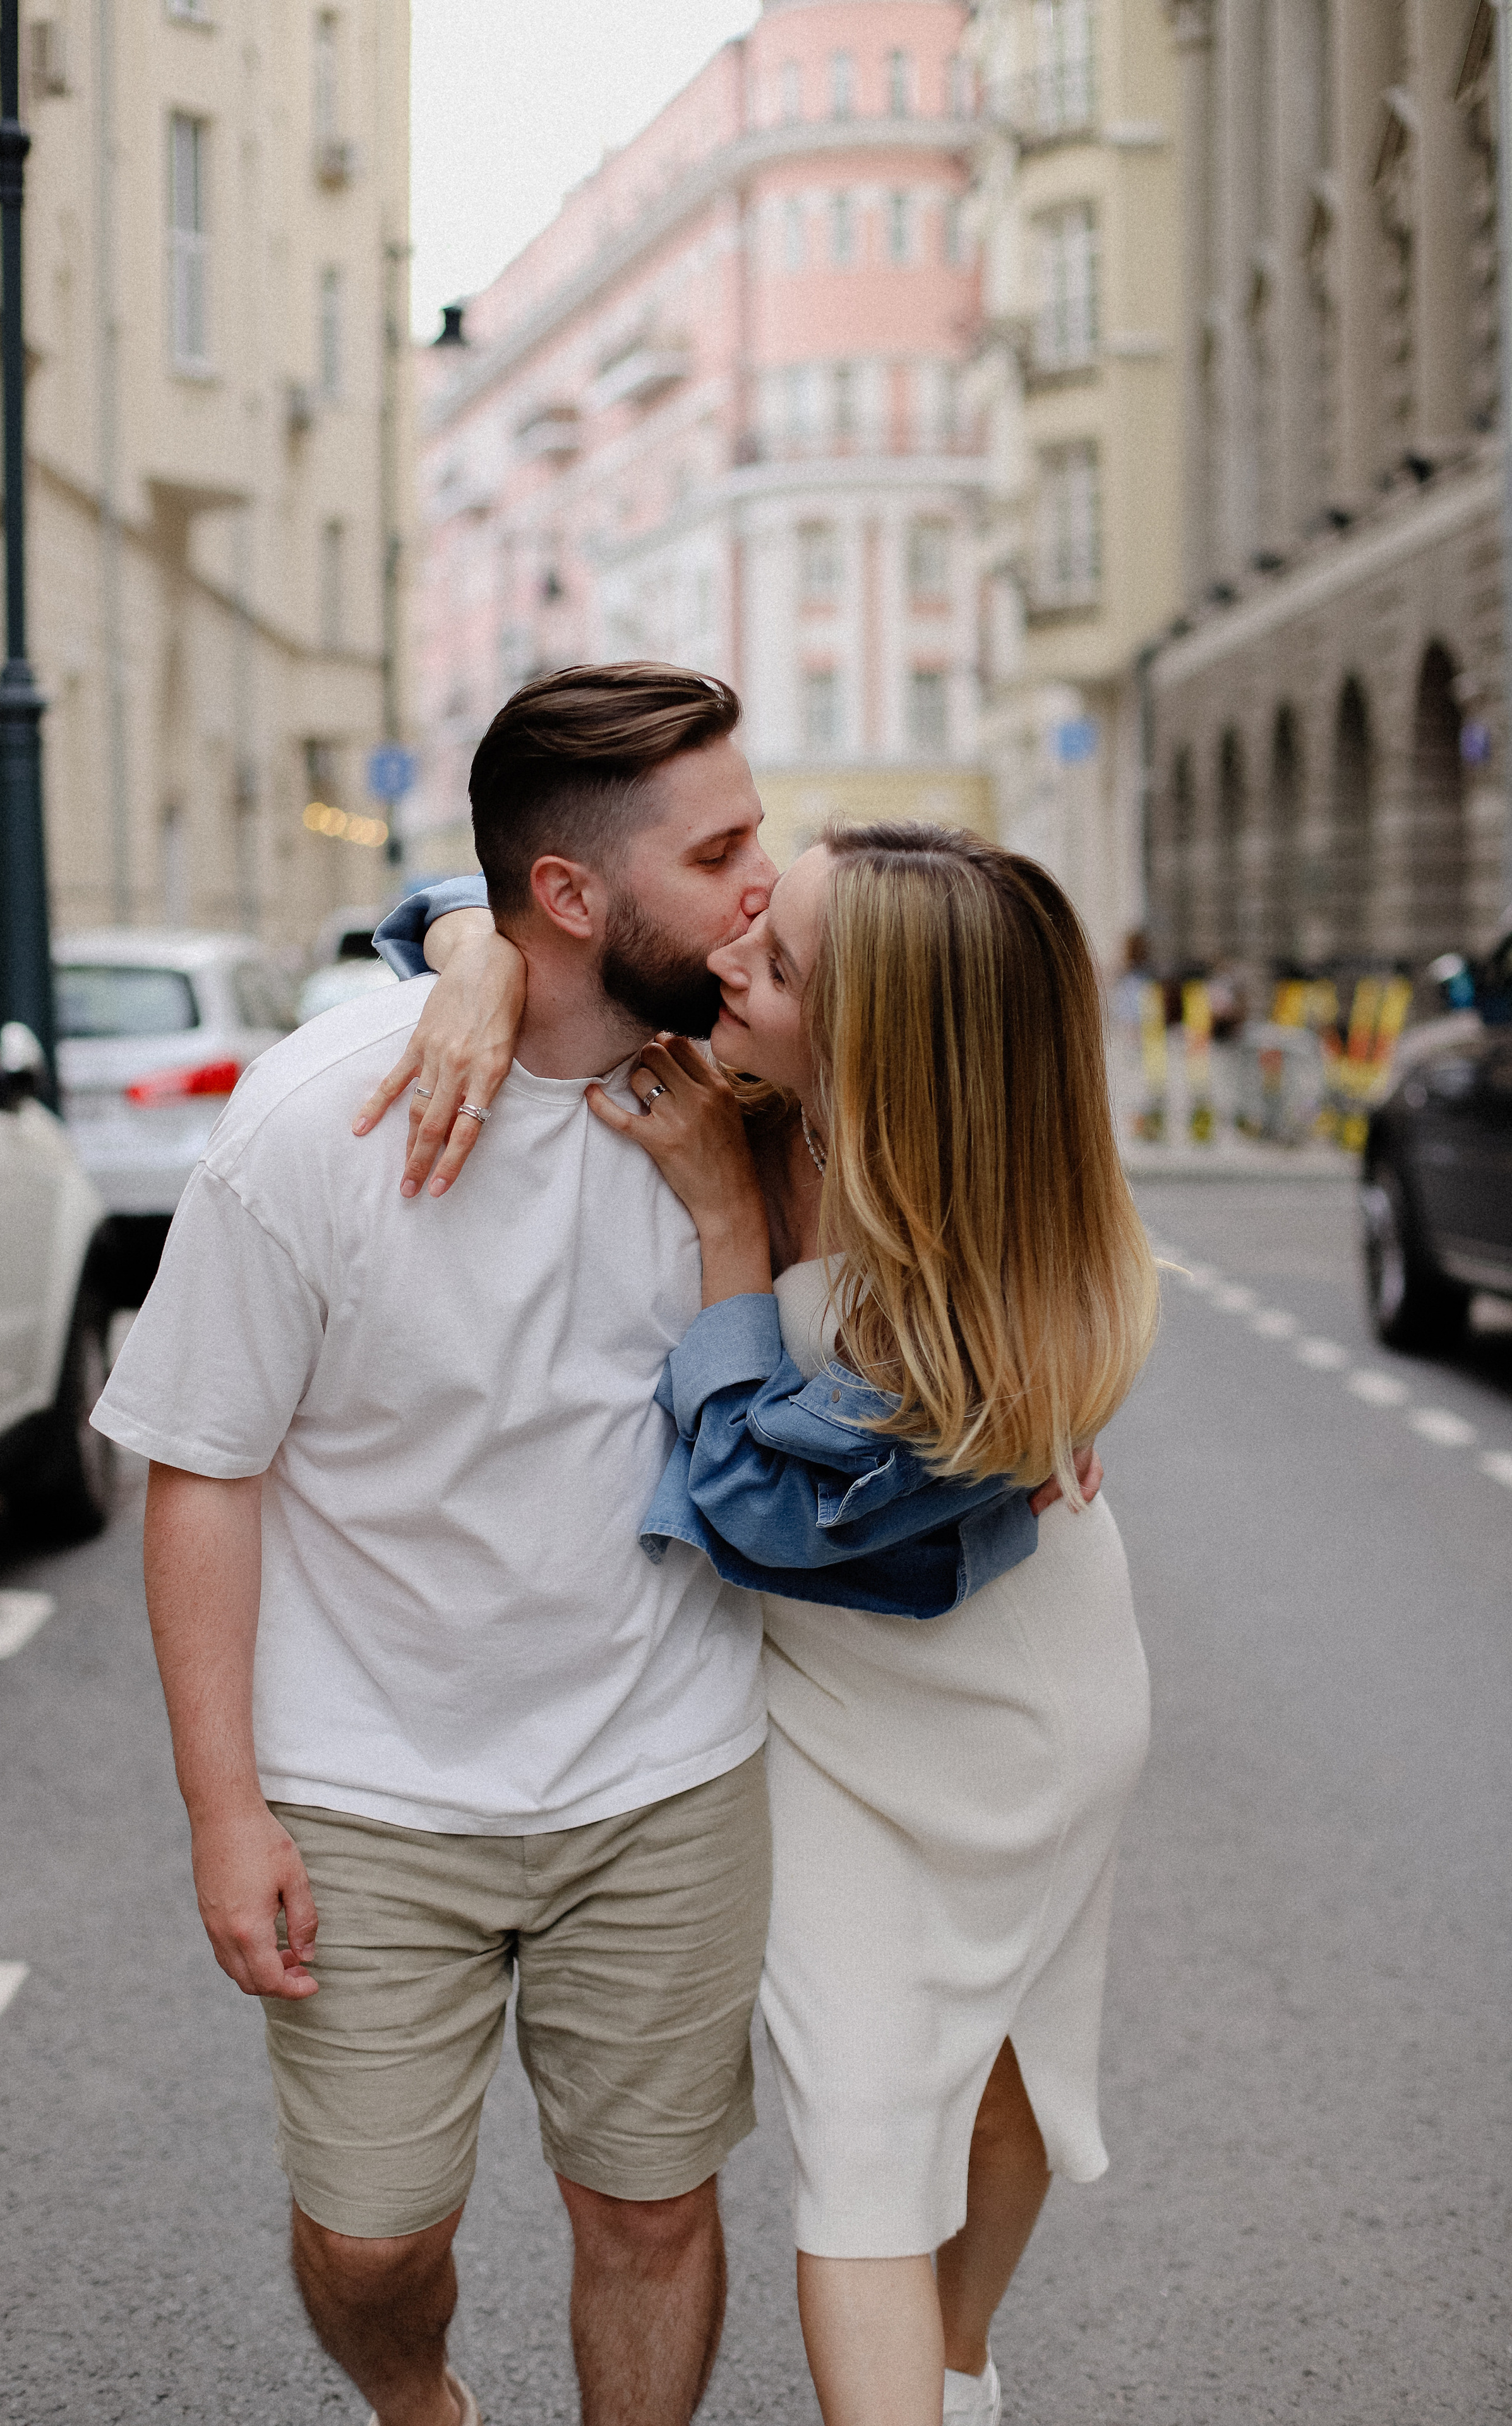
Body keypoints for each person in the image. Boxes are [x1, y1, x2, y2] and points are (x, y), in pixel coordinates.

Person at [369, 821, 1157, 2426]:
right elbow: (557, 909)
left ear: (876, 1047)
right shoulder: (743, 1046)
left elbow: (753, 1515)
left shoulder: (972, 1283)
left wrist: (729, 1227)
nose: (728, 958)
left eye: (776, 961)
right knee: (870, 2130)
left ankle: (954, 2365)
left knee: (1003, 2086)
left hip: (1018, 1709)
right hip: (824, 1727)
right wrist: (473, 955)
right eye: (756, 918)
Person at [90, 663, 801, 2426]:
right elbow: (204, 1469)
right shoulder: (307, 1126)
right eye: (721, 852)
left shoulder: (753, 1085)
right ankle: (422, 2405)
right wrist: (225, 1809)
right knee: (372, 2245)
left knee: (650, 2209)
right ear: (567, 897)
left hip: (664, 1765)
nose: (764, 884)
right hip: (371, 1791)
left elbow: (986, 1123)